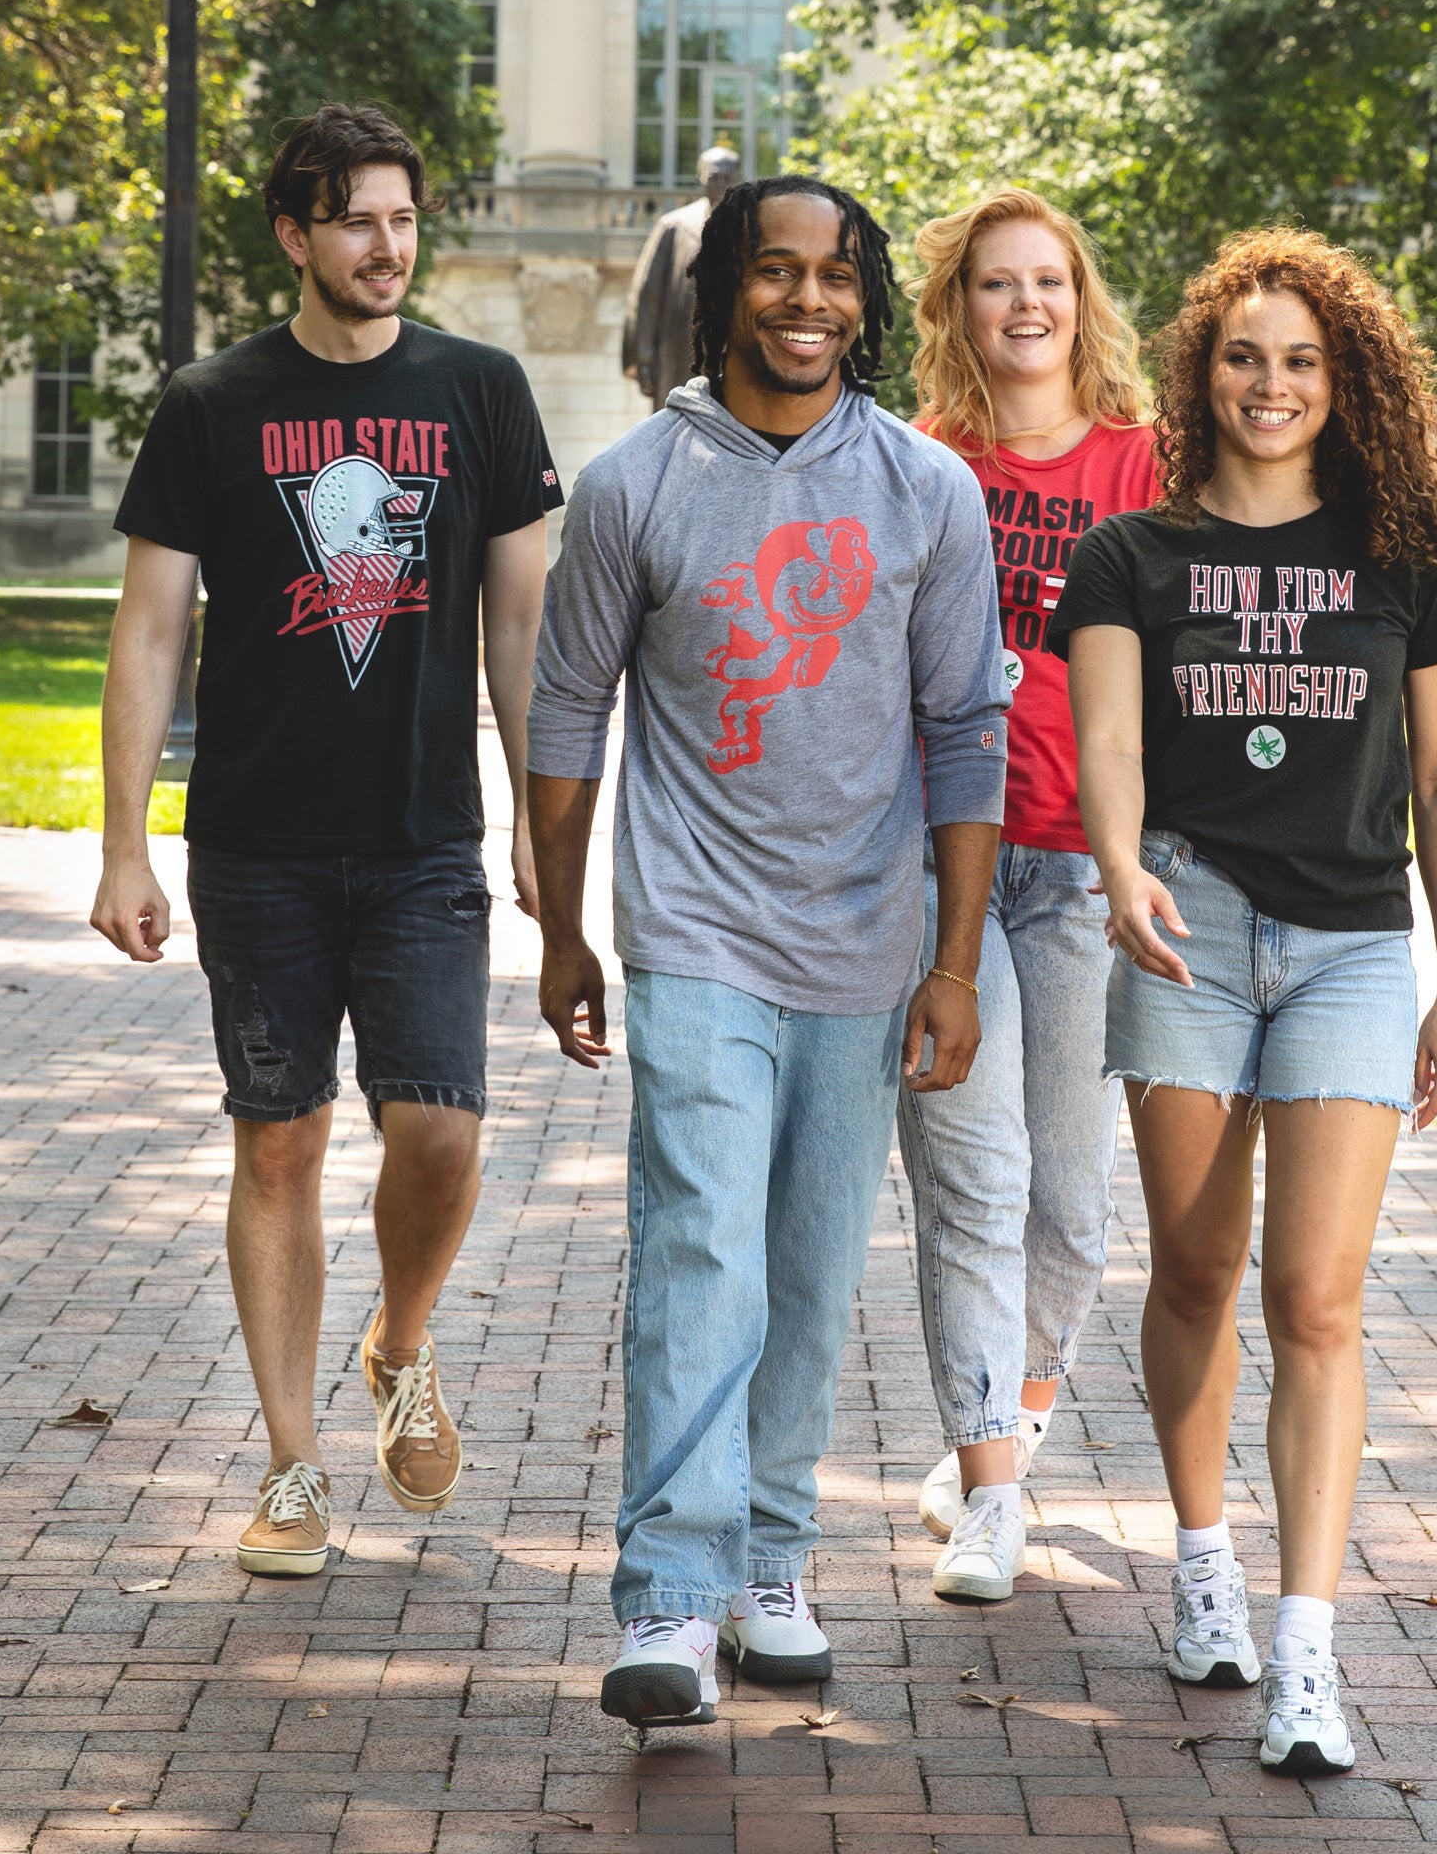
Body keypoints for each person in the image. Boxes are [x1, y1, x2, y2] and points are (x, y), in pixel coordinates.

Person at [528, 175, 1007, 1729]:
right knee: (699, 1248)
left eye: (838, 278)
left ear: (865, 302)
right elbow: (562, 719)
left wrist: (951, 959)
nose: (809, 301)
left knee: (806, 1271)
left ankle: (772, 1566)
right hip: (697, 933)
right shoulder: (634, 486)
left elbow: (963, 730)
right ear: (727, 290)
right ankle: (670, 1594)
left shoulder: (928, 490)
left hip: (868, 946)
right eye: (777, 273)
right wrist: (561, 928)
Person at [89, 103, 562, 1577]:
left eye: (403, 219)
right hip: (257, 842)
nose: (386, 245)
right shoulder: (213, 403)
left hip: (426, 839)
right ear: (295, 236)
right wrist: (123, 845)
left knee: (439, 1134)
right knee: (278, 1143)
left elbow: (525, 622)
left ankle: (398, 1342)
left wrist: (548, 826)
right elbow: (152, 625)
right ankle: (292, 1466)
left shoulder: (480, 390)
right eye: (355, 219)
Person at [1048, 229, 1437, 1776]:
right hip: (1190, 925)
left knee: (1316, 1294)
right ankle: (1203, 1556)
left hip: (1355, 947)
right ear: (1203, 373)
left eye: (1302, 359)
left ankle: (1308, 1649)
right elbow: (1105, 745)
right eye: (1246, 357)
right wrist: (1117, 867)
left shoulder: (1406, 560)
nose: (1273, 384)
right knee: (1194, 1268)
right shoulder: (1131, 559)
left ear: (1341, 377)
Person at [899, 188, 1157, 1603]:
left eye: (1049, 279)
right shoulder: (924, 463)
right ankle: (992, 1492)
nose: (1027, 305)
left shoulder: (1144, 466)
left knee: (1070, 1208)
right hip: (945, 869)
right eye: (996, 284)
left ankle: (1008, 1426)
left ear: (1080, 296)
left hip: (1084, 869)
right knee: (972, 1182)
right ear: (960, 309)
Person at [621, 145, 742, 408]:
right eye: (714, 178)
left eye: (727, 179)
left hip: (734, 356)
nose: (720, 186)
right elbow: (647, 294)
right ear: (700, 177)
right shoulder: (674, 227)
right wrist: (643, 357)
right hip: (677, 349)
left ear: (738, 180)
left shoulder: (752, 230)